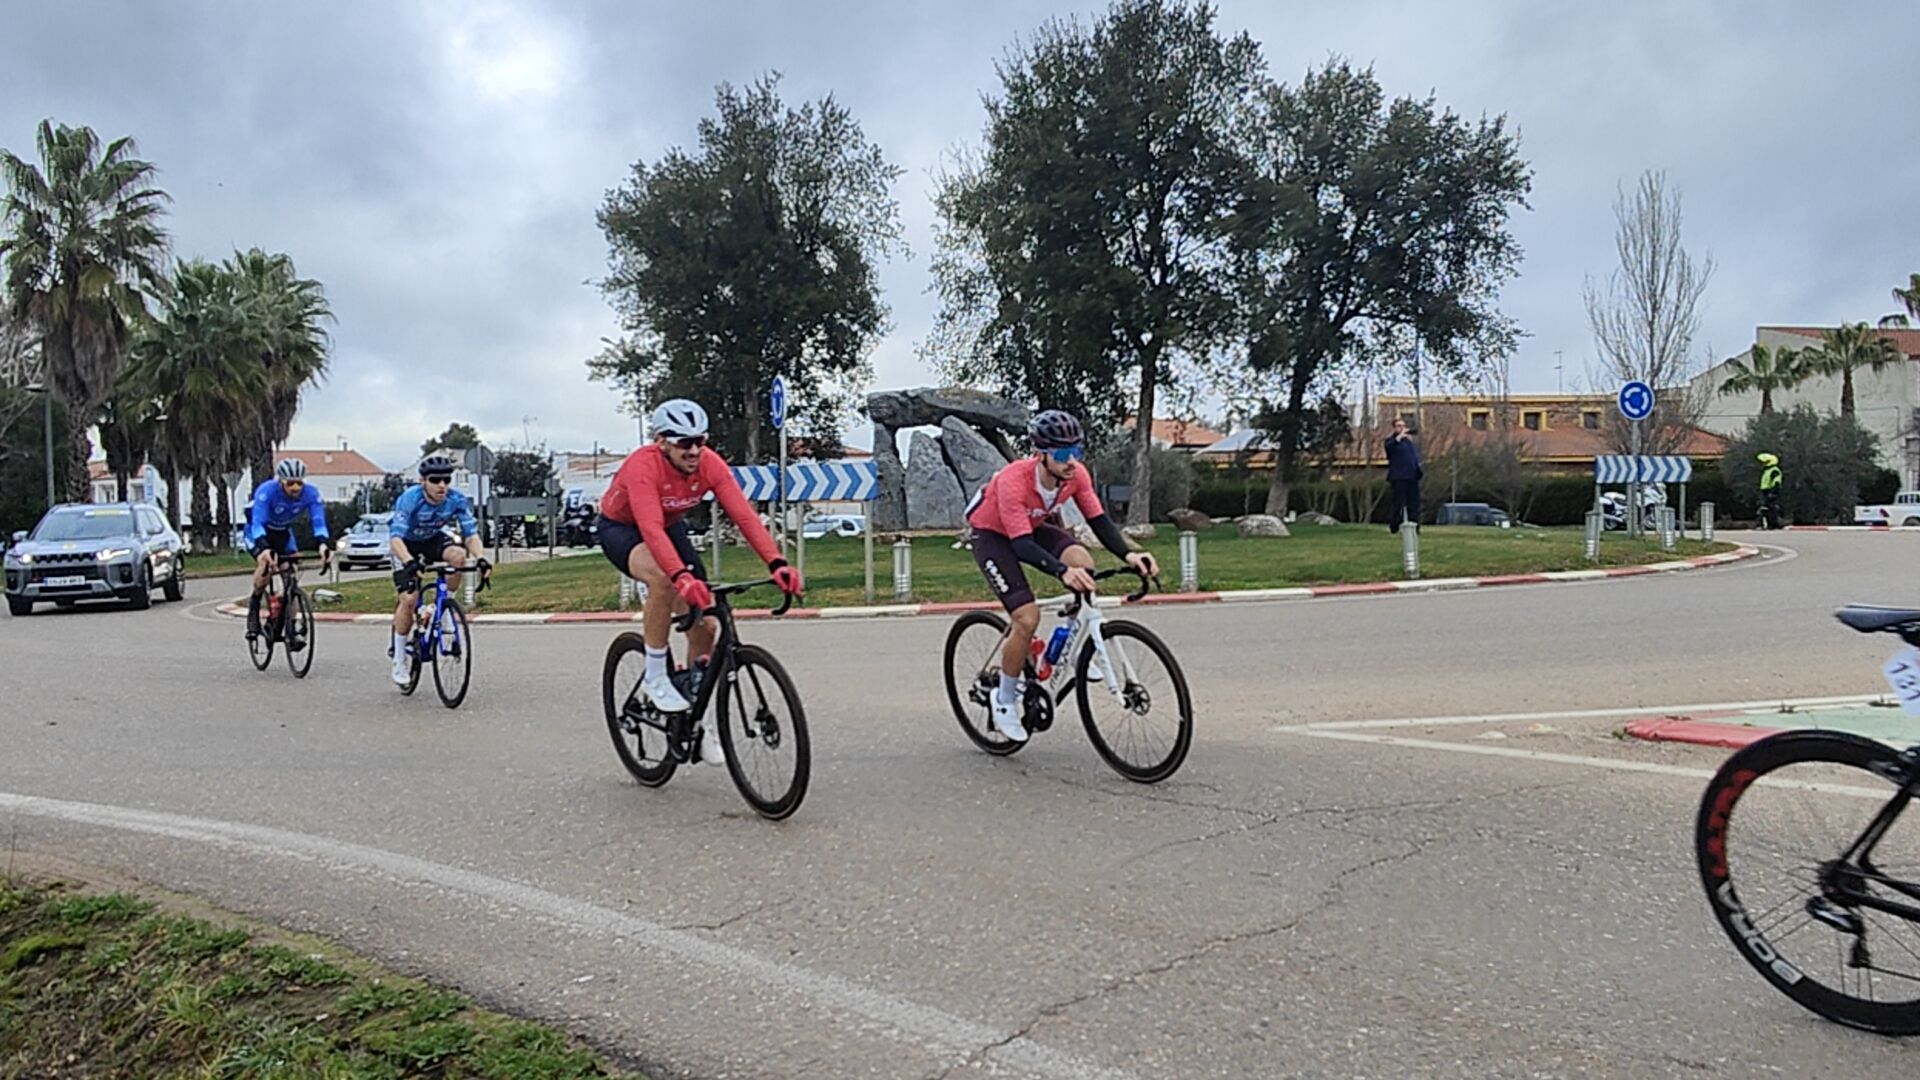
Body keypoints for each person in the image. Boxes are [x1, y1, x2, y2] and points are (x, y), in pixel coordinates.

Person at [597, 399, 803, 765]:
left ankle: (695, 722)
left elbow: (744, 515)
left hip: (670, 528)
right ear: (662, 441)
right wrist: (680, 577)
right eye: (683, 442)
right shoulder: (642, 466)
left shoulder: (709, 463)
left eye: (699, 441)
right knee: (663, 580)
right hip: (623, 529)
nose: (693, 450)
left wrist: (777, 562)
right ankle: (657, 675)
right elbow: (649, 528)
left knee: (706, 625)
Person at [965, 409, 1159, 743]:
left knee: (1083, 563)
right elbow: (1021, 545)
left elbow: (1099, 522)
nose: (1072, 461)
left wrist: (1130, 554)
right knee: (1026, 618)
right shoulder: (1014, 480)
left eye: (1077, 452)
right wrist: (1060, 571)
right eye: (1063, 454)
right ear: (1040, 454)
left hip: (1035, 525)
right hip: (994, 535)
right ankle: (1005, 698)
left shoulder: (1076, 476)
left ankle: (1068, 645)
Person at [386, 454, 489, 686]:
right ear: (423, 481)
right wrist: (409, 562)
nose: (442, 485)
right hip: (405, 545)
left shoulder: (456, 499)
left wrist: (481, 558)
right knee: (410, 599)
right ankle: (400, 659)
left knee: (459, 556)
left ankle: (444, 611)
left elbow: (470, 534)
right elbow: (395, 540)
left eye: (446, 479)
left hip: (433, 540)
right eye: (435, 480)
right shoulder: (409, 499)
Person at [244, 458, 332, 643]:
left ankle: (290, 628)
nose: (295, 488)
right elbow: (258, 523)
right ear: (280, 481)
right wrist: (265, 548)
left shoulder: (311, 494)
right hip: (259, 531)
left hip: (283, 532)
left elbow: (318, 522)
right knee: (265, 562)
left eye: (299, 482)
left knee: (291, 576)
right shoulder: (267, 491)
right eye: (290, 483)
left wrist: (323, 544)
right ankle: (254, 609)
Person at [1385, 417, 1423, 533]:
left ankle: (1414, 525)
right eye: (1399, 426)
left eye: (1403, 425)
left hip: (1412, 476)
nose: (1402, 428)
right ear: (1394, 428)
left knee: (1414, 503)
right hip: (1399, 477)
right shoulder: (1391, 441)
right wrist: (1398, 438)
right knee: (1398, 503)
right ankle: (1394, 526)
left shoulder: (1408, 443)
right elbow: (1389, 449)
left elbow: (1413, 457)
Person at [1758, 452, 1783, 530]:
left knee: (1771, 508)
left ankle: (1774, 524)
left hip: (1771, 491)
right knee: (1765, 508)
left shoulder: (1774, 470)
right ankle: (1767, 524)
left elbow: (1776, 482)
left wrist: (1773, 492)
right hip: (1765, 491)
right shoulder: (1767, 470)